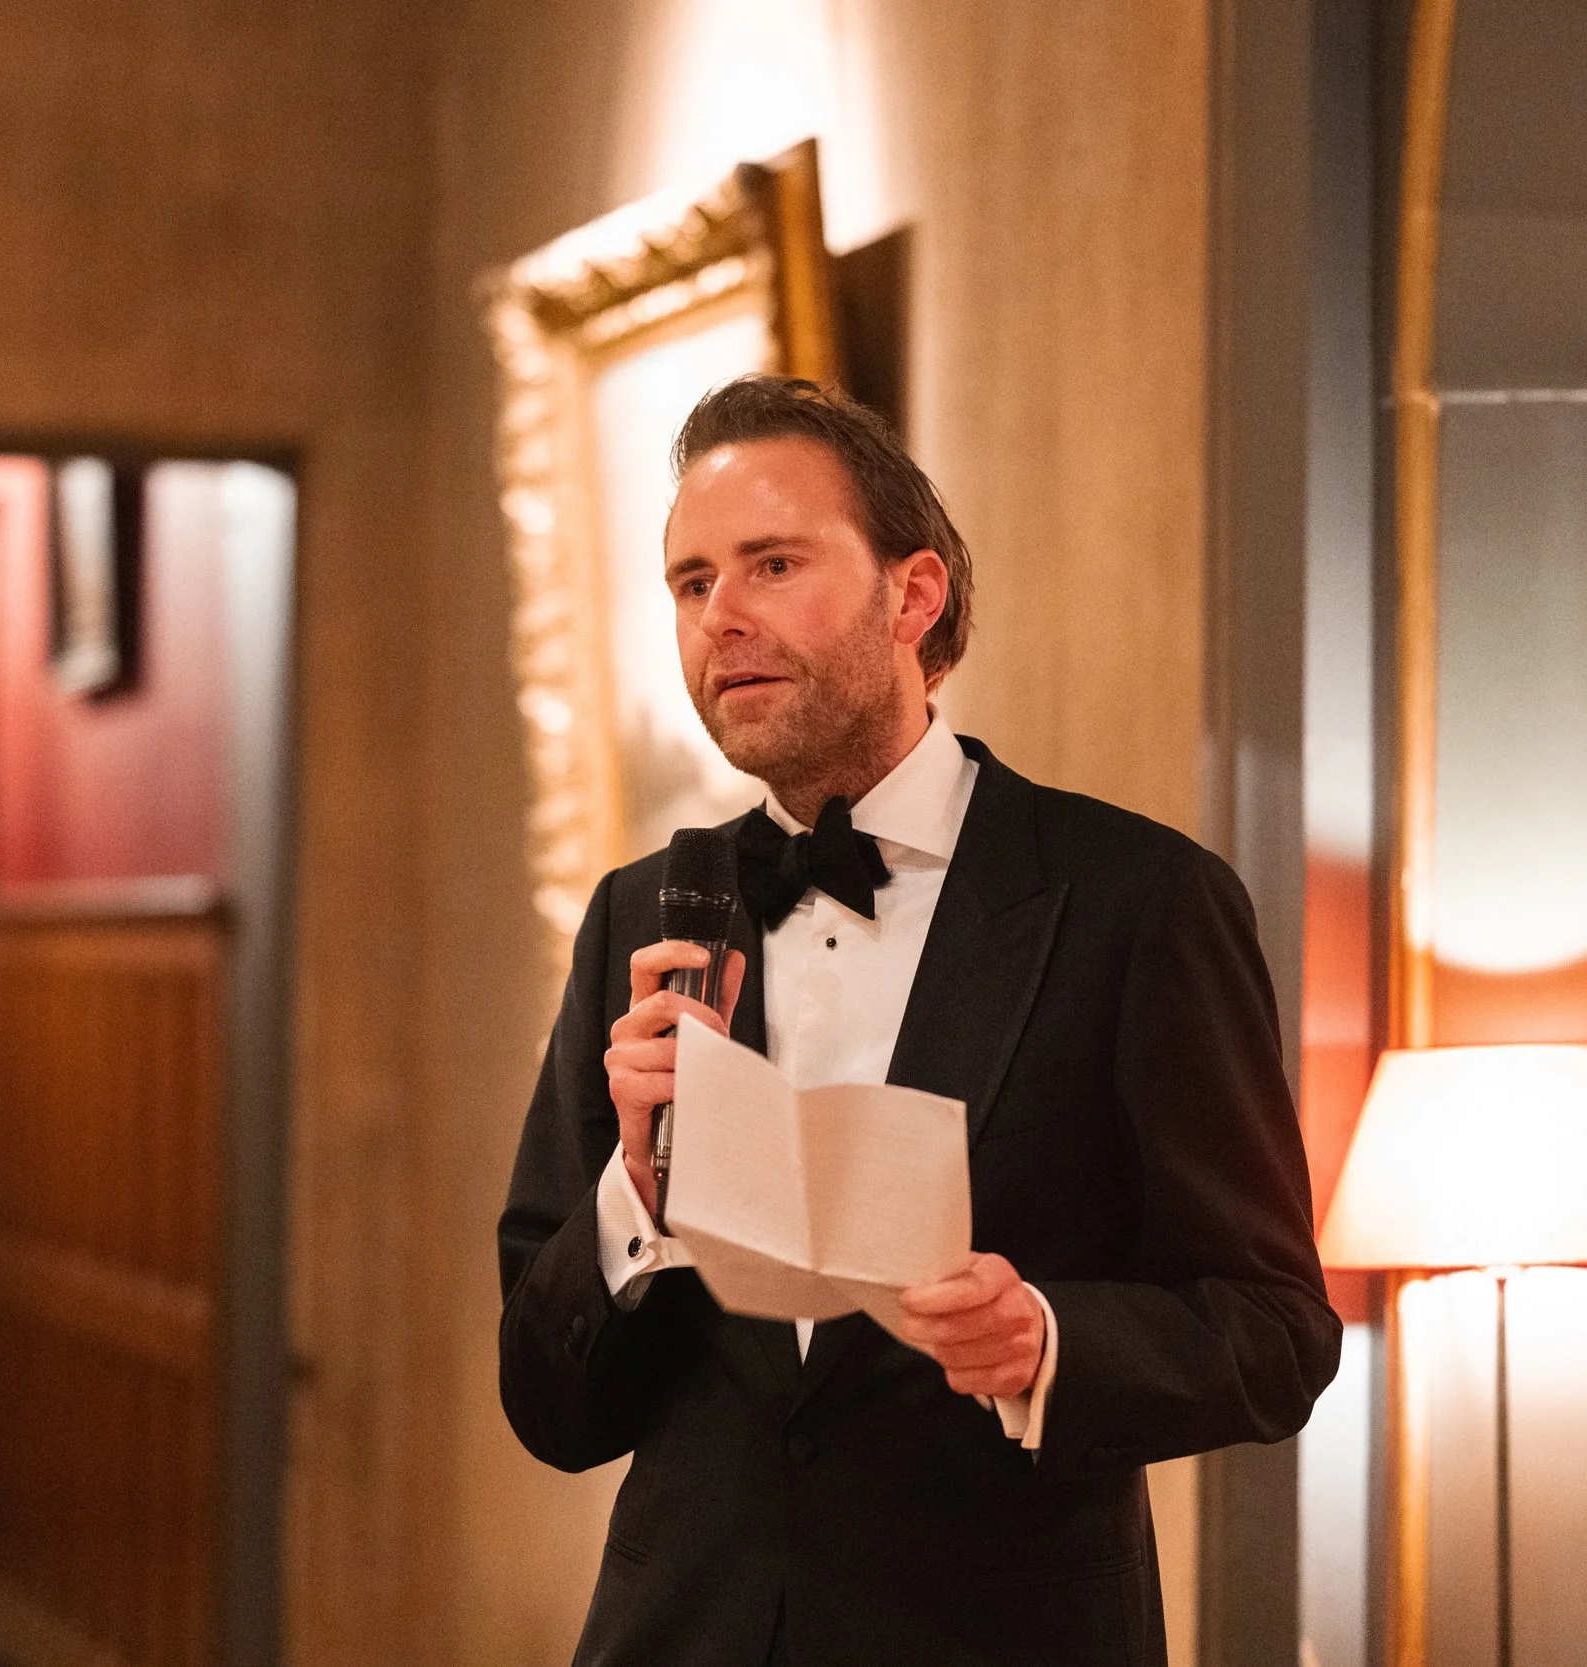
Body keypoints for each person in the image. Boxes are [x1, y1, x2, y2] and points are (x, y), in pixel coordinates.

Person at [497, 375, 1340, 1667]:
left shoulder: (1137, 901)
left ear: (915, 595)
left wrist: (1044, 1340)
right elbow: (550, 1403)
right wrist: (636, 1195)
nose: (722, 617)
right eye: (691, 582)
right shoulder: (638, 912)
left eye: (774, 564)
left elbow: (1276, 1333)